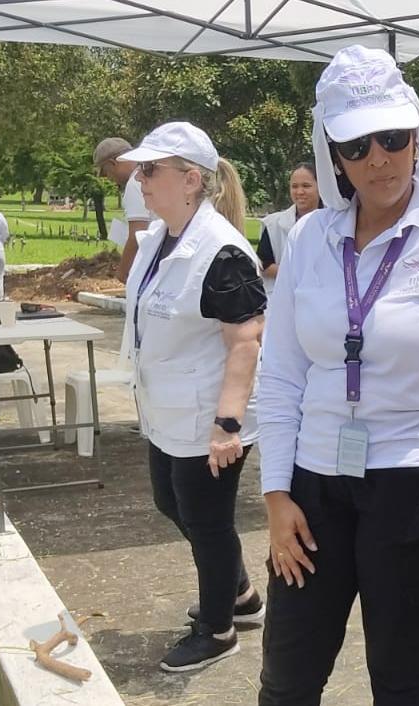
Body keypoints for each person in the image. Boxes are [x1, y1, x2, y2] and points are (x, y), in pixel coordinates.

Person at [256, 45, 419, 706]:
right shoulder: (309, 241)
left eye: (393, 137)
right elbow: (279, 375)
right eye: (356, 144)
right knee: (288, 668)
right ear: (334, 155)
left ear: (416, 138)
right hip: (313, 485)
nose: (378, 158)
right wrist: (277, 495)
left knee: (398, 668)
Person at [117, 122, 268, 672]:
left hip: (210, 416)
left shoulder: (222, 252)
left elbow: (247, 342)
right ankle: (241, 594)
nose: (140, 178)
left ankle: (218, 628)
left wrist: (227, 423)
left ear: (191, 180)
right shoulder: (159, 238)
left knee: (206, 521)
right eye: (140, 169)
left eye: (150, 169)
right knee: (170, 503)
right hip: (166, 409)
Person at [96, 136, 156, 280]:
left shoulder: (135, 183)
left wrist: (123, 272)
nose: (109, 178)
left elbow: (137, 234)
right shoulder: (151, 175)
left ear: (112, 163)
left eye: (106, 172)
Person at [255, 163, 322, 291]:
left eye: (306, 186)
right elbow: (264, 265)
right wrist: (299, 274)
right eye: (294, 186)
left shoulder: (335, 224)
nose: (300, 192)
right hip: (282, 296)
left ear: (320, 187)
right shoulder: (273, 224)